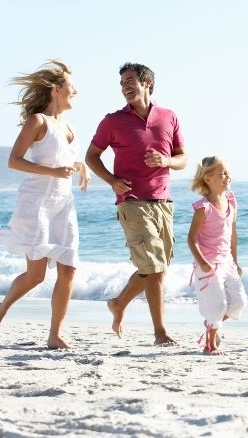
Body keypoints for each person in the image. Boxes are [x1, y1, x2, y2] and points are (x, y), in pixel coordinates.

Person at [0, 60, 90, 349]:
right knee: (37, 275)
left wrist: (80, 166)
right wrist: (54, 172)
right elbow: (14, 160)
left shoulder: (69, 127)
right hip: (37, 205)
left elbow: (63, 158)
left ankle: (54, 334)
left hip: (63, 204)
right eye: (71, 86)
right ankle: (3, 306)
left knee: (69, 268)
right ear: (56, 90)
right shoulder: (37, 122)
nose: (76, 91)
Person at [85, 62, 186, 346]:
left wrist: (166, 161)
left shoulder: (169, 116)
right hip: (131, 200)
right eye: (122, 83)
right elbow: (91, 156)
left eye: (130, 80)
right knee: (154, 268)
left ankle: (118, 304)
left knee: (159, 266)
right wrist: (111, 180)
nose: (125, 86)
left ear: (147, 84)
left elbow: (182, 158)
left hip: (163, 201)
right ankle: (160, 332)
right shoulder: (112, 121)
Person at [187, 156, 247, 355]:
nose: (227, 176)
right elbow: (191, 239)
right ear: (208, 179)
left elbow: (233, 234)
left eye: (228, 172)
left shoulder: (231, 202)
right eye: (222, 173)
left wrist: (236, 262)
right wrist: (202, 262)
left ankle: (213, 324)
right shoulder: (203, 208)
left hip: (227, 262)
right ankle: (209, 345)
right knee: (218, 305)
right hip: (209, 264)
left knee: (239, 302)